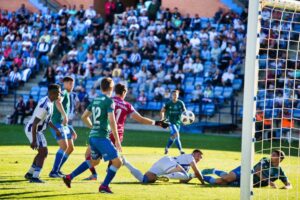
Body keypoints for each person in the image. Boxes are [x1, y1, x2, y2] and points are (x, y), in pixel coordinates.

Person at [62, 83, 169, 183]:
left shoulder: (107, 100)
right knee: (114, 161)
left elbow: (91, 115)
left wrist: (94, 126)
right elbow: (140, 119)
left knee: (89, 156)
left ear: (114, 91)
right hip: (117, 135)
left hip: (103, 133)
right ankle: (105, 178)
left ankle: (96, 176)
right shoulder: (127, 105)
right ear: (124, 93)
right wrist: (157, 122)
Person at [24, 84, 62, 183]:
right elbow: (35, 124)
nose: (60, 95)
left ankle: (30, 173)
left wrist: (56, 129)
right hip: (34, 130)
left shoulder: (49, 102)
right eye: (58, 93)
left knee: (42, 152)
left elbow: (47, 120)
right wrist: (34, 140)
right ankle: (35, 177)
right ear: (52, 93)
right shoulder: (45, 105)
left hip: (37, 130)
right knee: (43, 152)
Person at [202, 150, 292, 189]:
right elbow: (257, 170)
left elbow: (289, 184)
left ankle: (199, 176)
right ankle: (214, 171)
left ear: (280, 159)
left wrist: (286, 187)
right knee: (227, 178)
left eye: (274, 155)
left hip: (248, 183)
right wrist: (268, 181)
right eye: (272, 154)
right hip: (245, 170)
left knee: (220, 182)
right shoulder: (265, 160)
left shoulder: (279, 171)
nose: (271, 156)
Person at [122, 149, 205, 184]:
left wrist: (193, 176)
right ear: (193, 154)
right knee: (186, 175)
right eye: (198, 155)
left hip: (165, 162)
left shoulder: (187, 165)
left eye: (200, 157)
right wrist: (202, 182)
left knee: (145, 179)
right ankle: (164, 177)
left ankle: (125, 162)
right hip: (170, 162)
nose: (198, 158)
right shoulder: (190, 157)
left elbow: (182, 180)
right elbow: (197, 171)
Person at [49, 76, 76, 178]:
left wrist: (70, 128)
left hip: (63, 124)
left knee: (70, 148)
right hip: (56, 123)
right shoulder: (64, 93)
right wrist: (65, 115)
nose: (72, 86)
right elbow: (57, 102)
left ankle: (57, 169)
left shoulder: (68, 94)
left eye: (72, 84)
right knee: (64, 146)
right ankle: (54, 171)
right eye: (71, 84)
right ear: (66, 83)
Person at [160, 90, 186, 154]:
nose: (174, 96)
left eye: (176, 95)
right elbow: (162, 111)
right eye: (173, 94)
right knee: (177, 134)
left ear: (178, 95)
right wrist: (162, 118)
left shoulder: (181, 103)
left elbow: (185, 112)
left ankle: (167, 148)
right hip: (170, 122)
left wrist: (185, 120)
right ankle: (181, 150)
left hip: (178, 122)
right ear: (171, 95)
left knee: (173, 137)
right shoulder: (168, 103)